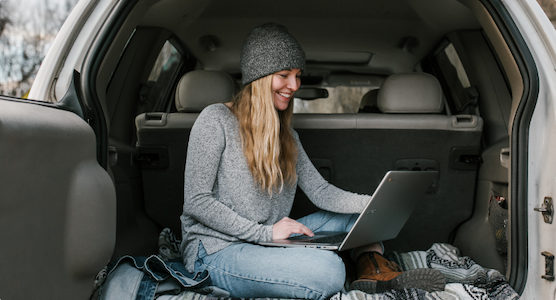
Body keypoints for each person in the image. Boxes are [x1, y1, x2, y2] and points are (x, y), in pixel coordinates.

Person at [179, 23, 445, 300]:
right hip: (217, 250)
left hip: (268, 240)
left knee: (361, 220)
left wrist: (372, 204)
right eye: (284, 75)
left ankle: (374, 272)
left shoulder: (287, 135)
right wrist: (265, 233)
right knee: (328, 272)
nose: (294, 86)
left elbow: (321, 191)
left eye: (297, 75)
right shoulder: (215, 120)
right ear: (259, 77)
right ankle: (353, 268)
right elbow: (197, 201)